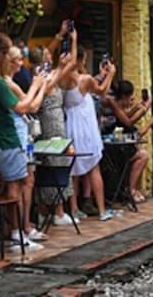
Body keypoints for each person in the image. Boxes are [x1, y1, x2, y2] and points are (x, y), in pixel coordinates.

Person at [0, 32, 44, 248]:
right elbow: (22, 107)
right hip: (4, 139)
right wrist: (36, 85)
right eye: (7, 53)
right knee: (15, 184)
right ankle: (17, 233)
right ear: (0, 54)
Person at [59, 40, 117, 221]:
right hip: (85, 127)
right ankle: (101, 210)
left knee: (74, 169)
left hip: (70, 126)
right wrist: (110, 75)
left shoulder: (63, 78)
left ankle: (74, 208)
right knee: (93, 167)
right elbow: (101, 90)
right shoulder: (84, 80)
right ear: (81, 60)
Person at [2, 45, 48, 244]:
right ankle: (19, 229)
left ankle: (24, 227)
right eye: (18, 59)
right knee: (19, 182)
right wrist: (40, 86)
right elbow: (31, 105)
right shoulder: (8, 84)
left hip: (21, 135)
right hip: (17, 135)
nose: (22, 63)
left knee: (26, 180)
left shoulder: (8, 82)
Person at [34, 39, 80, 227]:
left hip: (58, 122)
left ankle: (53, 209)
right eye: (46, 58)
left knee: (60, 160)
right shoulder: (39, 76)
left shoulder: (52, 74)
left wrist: (72, 39)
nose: (50, 61)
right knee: (52, 162)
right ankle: (54, 211)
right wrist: (60, 66)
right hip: (49, 124)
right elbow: (49, 82)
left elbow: (71, 63)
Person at [104, 81, 153, 203]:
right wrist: (145, 110)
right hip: (113, 150)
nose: (131, 102)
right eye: (130, 99)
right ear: (124, 97)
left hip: (120, 147)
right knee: (143, 155)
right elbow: (128, 122)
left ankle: (133, 189)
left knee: (140, 151)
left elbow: (126, 118)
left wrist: (138, 108)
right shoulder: (113, 104)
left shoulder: (119, 108)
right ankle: (131, 190)